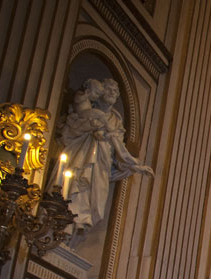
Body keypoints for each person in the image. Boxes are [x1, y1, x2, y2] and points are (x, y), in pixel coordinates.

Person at [54, 78, 154, 233]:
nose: (113, 93)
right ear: (100, 91)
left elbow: (118, 152)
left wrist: (135, 165)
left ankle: (78, 227)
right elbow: (69, 130)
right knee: (76, 186)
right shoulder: (84, 109)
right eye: (109, 89)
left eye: (115, 91)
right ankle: (64, 224)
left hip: (102, 164)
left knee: (92, 197)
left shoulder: (116, 122)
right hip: (80, 156)